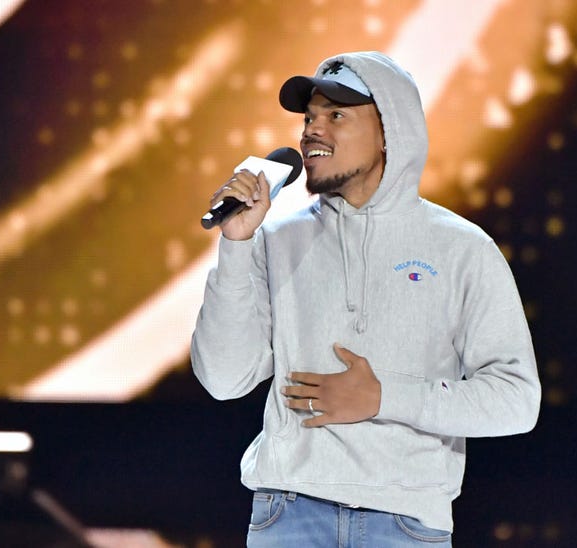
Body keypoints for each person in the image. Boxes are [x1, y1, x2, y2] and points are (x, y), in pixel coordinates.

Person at [190, 51, 541, 547]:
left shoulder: (462, 248)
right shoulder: (274, 240)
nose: (312, 131)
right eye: (309, 118)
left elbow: (516, 400)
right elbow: (223, 379)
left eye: (336, 115)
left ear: (389, 132)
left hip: (406, 523)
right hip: (288, 514)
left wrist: (383, 398)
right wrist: (236, 245)